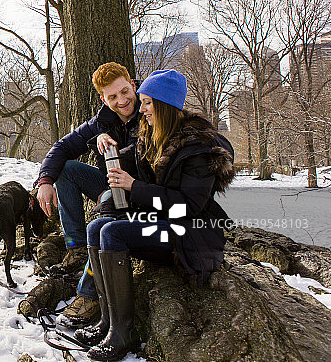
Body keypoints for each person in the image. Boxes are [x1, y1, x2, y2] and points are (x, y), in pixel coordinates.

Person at [75, 69, 234, 362]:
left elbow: (187, 207)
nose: (141, 108)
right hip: (162, 224)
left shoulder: (198, 149)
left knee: (113, 233)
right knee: (97, 226)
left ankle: (125, 332)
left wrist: (135, 187)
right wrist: (104, 142)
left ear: (163, 105)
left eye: (147, 103)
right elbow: (131, 158)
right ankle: (108, 322)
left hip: (187, 233)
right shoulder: (155, 133)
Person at [34, 62, 141, 326]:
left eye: (125, 91)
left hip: (144, 192)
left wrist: (111, 150)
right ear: (103, 99)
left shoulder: (150, 111)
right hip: (112, 187)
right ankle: (77, 248)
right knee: (66, 169)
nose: (122, 100)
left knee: (104, 217)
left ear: (133, 85)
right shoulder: (101, 121)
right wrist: (45, 181)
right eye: (113, 97)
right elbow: (60, 147)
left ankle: (88, 294)